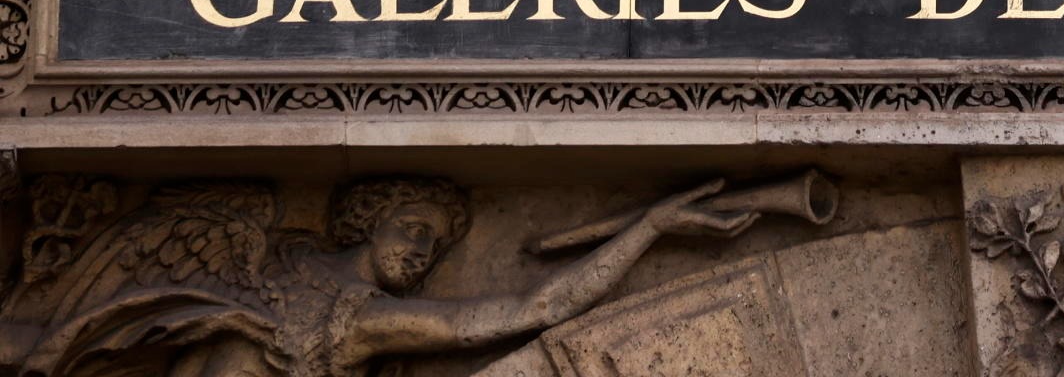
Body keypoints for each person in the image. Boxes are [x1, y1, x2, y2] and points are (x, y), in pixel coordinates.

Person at [13, 174, 761, 377]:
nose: (422, 255)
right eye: (412, 231)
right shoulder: (274, 254)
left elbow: (529, 306)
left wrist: (649, 227)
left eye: (433, 247)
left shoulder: (359, 320)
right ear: (367, 219)